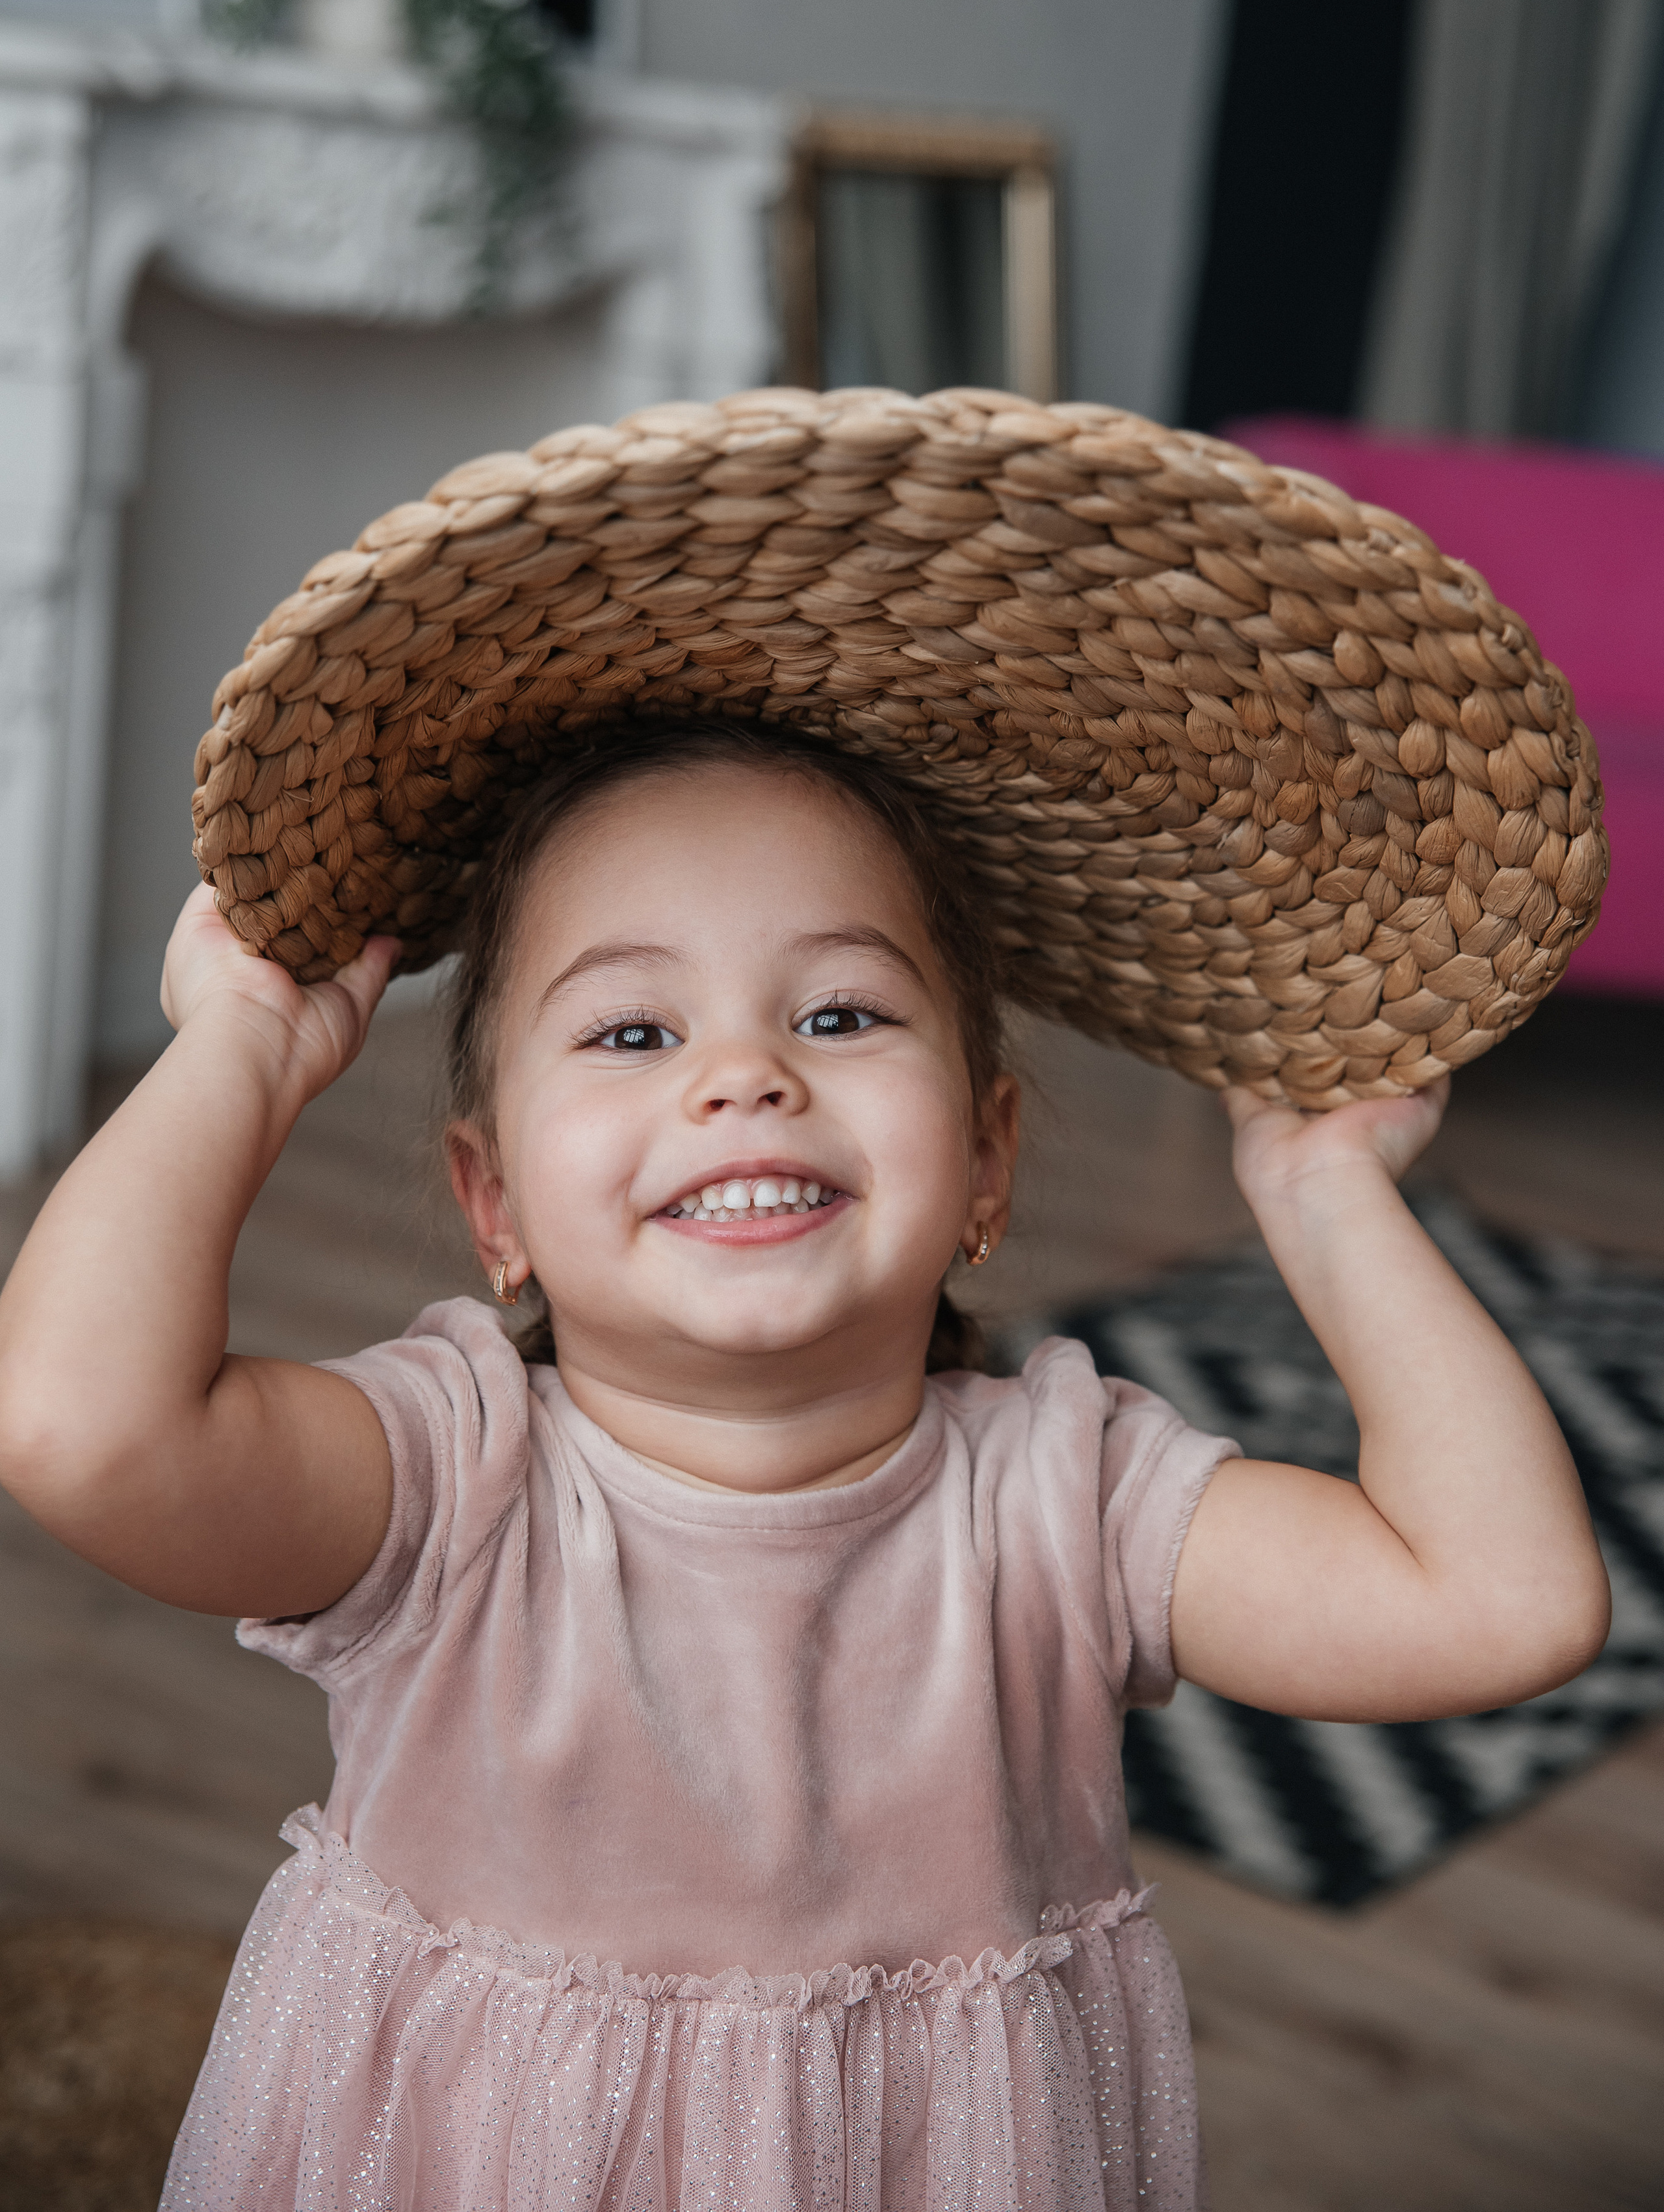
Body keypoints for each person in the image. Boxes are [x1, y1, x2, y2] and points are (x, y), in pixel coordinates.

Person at [0, 710, 1607, 2210]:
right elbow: (80, 1423)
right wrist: (244, 1050)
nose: (744, 1074)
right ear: (494, 1207)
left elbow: (1498, 1602)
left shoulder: (1064, 1502)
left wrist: (1326, 1201)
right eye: (632, 1029)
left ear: (984, 1162)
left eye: (838, 1014)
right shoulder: (446, 1481)